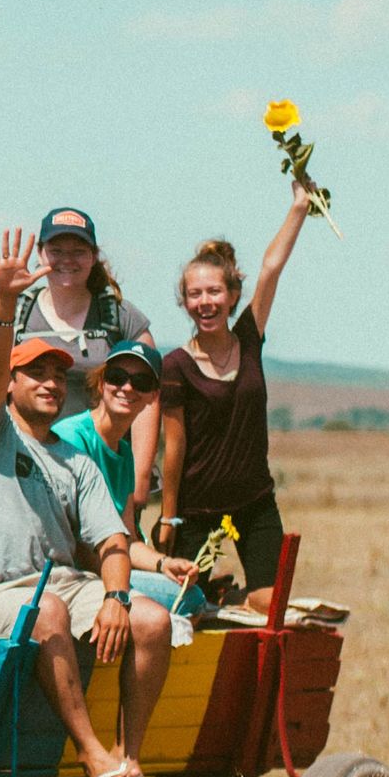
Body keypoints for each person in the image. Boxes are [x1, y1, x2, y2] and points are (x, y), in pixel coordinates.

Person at [0, 229, 174, 777]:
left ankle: (131, 761)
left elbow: (112, 541)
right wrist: (4, 305)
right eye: (34, 374)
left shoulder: (75, 461)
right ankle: (90, 751)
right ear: (11, 387)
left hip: (65, 584)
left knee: (153, 620)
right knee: (44, 609)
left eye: (58, 375)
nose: (49, 383)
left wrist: (119, 598)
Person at [157, 176, 320, 615]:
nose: (205, 302)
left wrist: (300, 208)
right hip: (197, 509)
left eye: (214, 292)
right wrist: (168, 517)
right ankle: (213, 596)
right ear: (184, 302)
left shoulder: (249, 338)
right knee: (181, 610)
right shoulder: (174, 365)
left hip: (254, 503)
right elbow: (174, 448)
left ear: (232, 296)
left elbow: (270, 269)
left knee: (272, 606)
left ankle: (230, 597)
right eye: (195, 294)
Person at [14, 206, 159, 531]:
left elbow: (149, 395)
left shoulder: (121, 317)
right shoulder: (19, 316)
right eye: (57, 251)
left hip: (107, 468)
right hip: (37, 469)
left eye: (78, 251)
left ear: (94, 256)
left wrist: (140, 475)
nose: (67, 259)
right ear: (40, 254)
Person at [53, 341, 202, 615]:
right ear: (101, 383)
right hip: (73, 576)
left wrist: (164, 563)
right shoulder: (72, 438)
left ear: (153, 397)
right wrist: (120, 583)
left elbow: (128, 539)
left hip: (109, 568)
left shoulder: (124, 453)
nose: (127, 388)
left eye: (141, 382)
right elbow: (75, 542)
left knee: (188, 593)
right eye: (117, 377)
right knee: (189, 601)